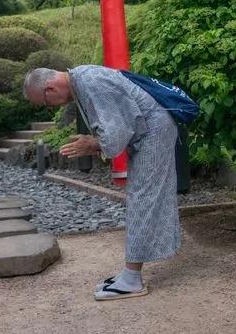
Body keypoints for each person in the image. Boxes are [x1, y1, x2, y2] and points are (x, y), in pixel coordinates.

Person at [23, 66, 180, 300]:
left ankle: (132, 279)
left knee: (143, 197)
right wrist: (95, 141)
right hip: (151, 129)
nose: (50, 107)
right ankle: (130, 274)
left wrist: (93, 144)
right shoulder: (83, 79)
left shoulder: (91, 82)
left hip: (153, 132)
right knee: (144, 196)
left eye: (45, 103)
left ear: (50, 88)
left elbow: (117, 133)